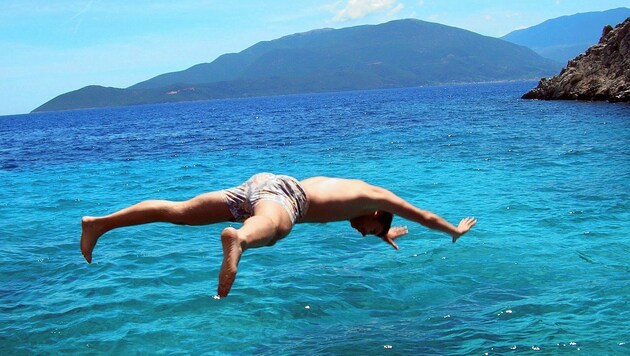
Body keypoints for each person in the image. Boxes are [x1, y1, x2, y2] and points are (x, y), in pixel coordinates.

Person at [80, 173, 477, 297]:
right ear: (379, 214)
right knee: (278, 227)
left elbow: (375, 224)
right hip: (285, 196)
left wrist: (387, 237)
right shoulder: (378, 197)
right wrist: (453, 232)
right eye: (370, 230)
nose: (362, 234)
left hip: (260, 183)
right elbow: (423, 215)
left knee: (181, 212)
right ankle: (240, 240)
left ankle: (99, 223)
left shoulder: (361, 203)